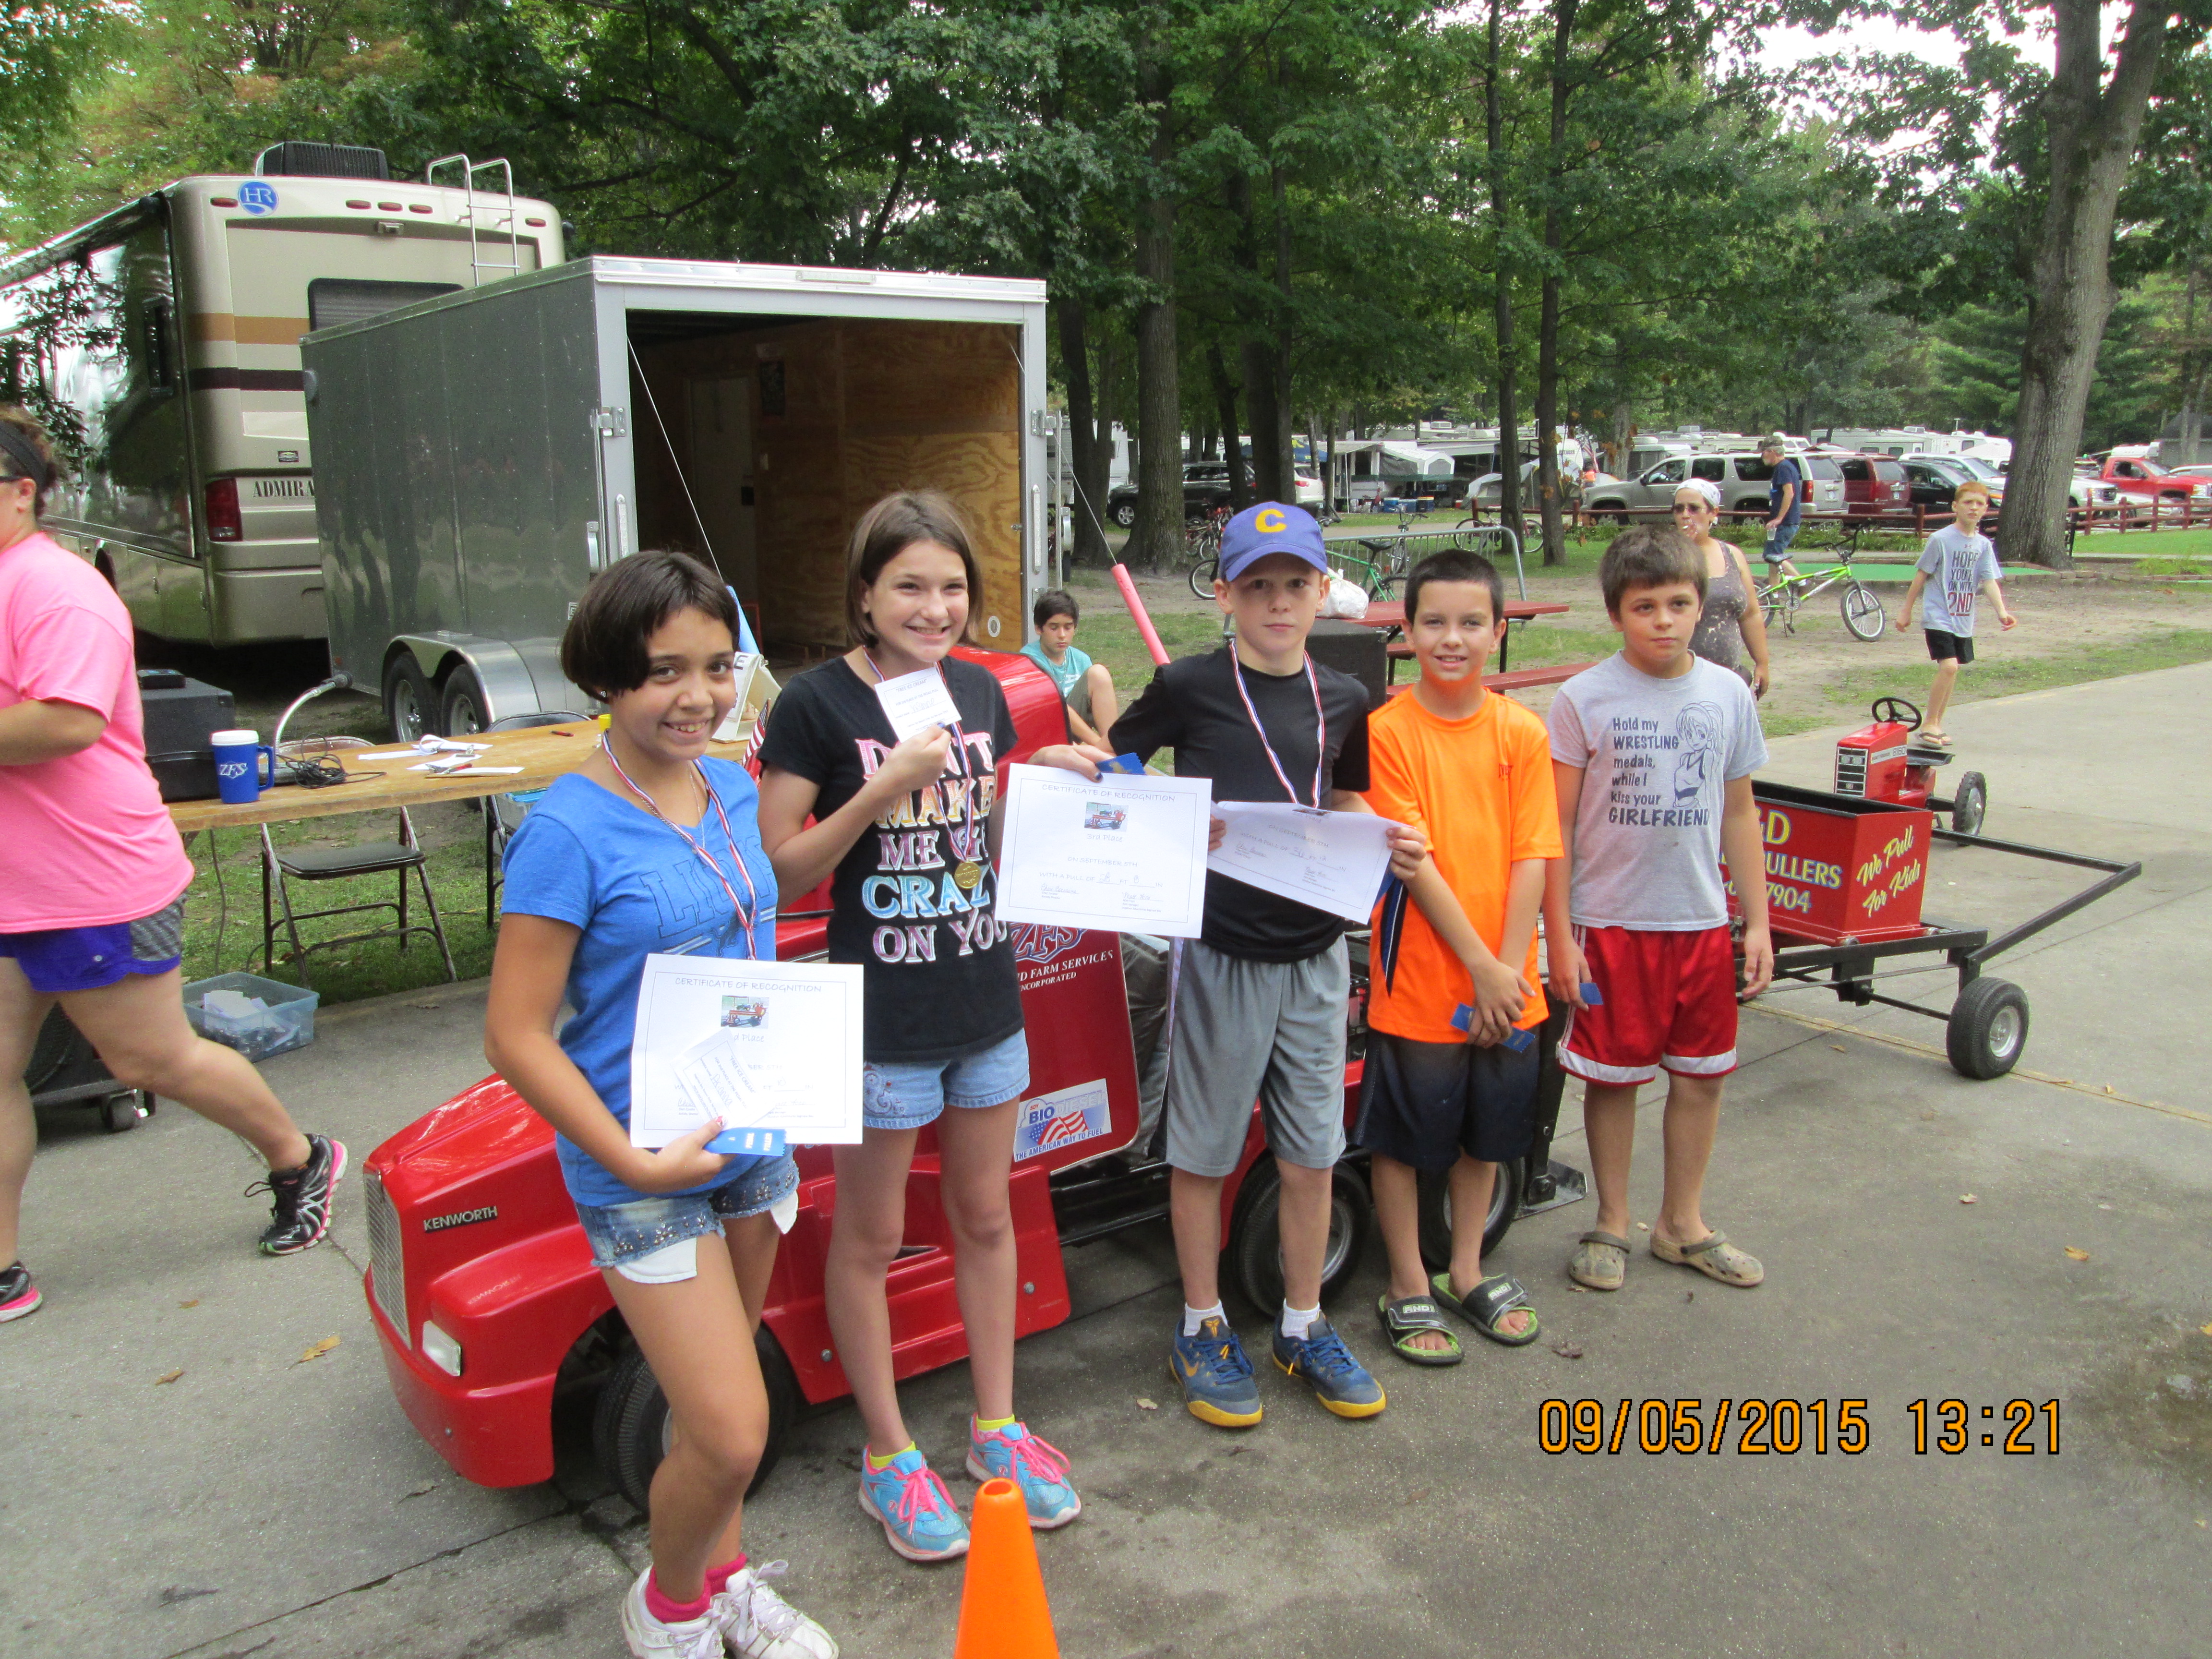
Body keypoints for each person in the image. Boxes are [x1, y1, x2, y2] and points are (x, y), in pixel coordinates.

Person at [485, 551, 835, 1659]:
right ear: (607, 676)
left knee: (711, 1409)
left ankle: (724, 1580)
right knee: (734, 1432)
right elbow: (515, 1034)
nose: (699, 696)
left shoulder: (730, 788)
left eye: (718, 666)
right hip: (641, 1166)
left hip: (750, 1133)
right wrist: (633, 1161)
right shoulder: (565, 831)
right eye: (664, 672)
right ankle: (671, 1606)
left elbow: (751, 934)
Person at [754, 492, 1104, 1563]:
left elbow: (967, 826)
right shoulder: (814, 704)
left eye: (952, 587)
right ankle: (888, 1453)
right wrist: (878, 789)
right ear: (864, 594)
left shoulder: (978, 689)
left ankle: (996, 1429)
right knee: (869, 1240)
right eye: (909, 585)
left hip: (984, 1003)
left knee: (987, 1218)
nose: (934, 606)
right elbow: (784, 870)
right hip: (881, 1021)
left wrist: (1030, 781)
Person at [0, 407, 343, 1327]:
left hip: (91, 878)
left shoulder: (55, 590)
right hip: (11, 884)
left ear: (23, 493)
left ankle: (299, 1157)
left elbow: (67, 720)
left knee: (147, 1057)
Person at [1110, 501, 1422, 1428]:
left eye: (1294, 585)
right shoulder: (1188, 684)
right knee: (1203, 1153)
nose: (1277, 603)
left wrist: (1389, 837)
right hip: (1221, 955)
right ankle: (1201, 1324)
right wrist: (1173, 811)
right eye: (1257, 587)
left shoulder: (1346, 696)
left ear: (1322, 591)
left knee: (1311, 1152)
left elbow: (1344, 797)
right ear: (1224, 594)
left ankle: (1300, 1321)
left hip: (1316, 958)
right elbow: (1114, 762)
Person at [1543, 524, 1775, 1296]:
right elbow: (1556, 828)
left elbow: (1739, 813)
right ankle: (1612, 1221)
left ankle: (1683, 1225)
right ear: (1617, 614)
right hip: (1610, 924)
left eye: (1678, 603)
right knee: (1613, 1078)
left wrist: (1757, 922)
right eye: (1645, 607)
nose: (1664, 621)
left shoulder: (1728, 693)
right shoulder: (1583, 699)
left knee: (1702, 1076)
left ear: (1701, 604)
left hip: (1699, 923)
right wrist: (1559, 936)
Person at [1357, 549, 1561, 1365]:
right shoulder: (1385, 733)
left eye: (1471, 622)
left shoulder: (1522, 732)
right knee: (1406, 1143)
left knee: (1488, 1139)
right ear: (1406, 633)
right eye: (1434, 622)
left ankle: (1466, 1268)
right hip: (1420, 986)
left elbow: (1533, 854)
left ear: (1497, 630)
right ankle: (1407, 1277)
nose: (1452, 638)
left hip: (1508, 987)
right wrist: (1480, 970)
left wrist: (1505, 976)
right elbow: (1414, 863)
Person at [1892, 481, 2014, 746]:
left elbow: (1989, 580)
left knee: (1953, 670)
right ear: (1955, 506)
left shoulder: (1983, 545)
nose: (1974, 508)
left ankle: (1937, 722)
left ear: (1986, 509)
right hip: (1939, 614)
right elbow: (1922, 575)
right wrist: (1906, 611)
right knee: (1949, 666)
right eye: (1968, 502)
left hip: (1963, 616)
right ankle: (1929, 723)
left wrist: (2002, 612)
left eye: (1980, 504)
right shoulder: (1941, 539)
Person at [1676, 481, 1773, 696]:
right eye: (1679, 509)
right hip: (1680, 678)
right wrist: (1683, 550)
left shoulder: (1732, 554)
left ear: (1713, 513)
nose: (1685, 515)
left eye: (1694, 508)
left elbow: (1750, 613)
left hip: (1729, 678)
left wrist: (1762, 663)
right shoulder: (1666, 556)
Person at [1020, 589, 1118, 748]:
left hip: (1074, 735)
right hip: (1044, 734)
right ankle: (1108, 749)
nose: (1062, 635)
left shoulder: (1081, 659)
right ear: (1039, 629)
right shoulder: (1028, 659)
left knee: (1099, 674)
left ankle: (1114, 743)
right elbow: (1054, 707)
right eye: (1054, 628)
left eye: (1068, 627)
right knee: (1057, 702)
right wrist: (1099, 745)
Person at [1758, 435, 1804, 582]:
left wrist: (1779, 519)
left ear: (1772, 452)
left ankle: (1802, 582)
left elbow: (1789, 493)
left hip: (1786, 522)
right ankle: (1775, 591)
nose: (1762, 456)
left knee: (1772, 556)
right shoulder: (1782, 468)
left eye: (1764, 452)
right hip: (1783, 521)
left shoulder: (1784, 468)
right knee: (1773, 558)